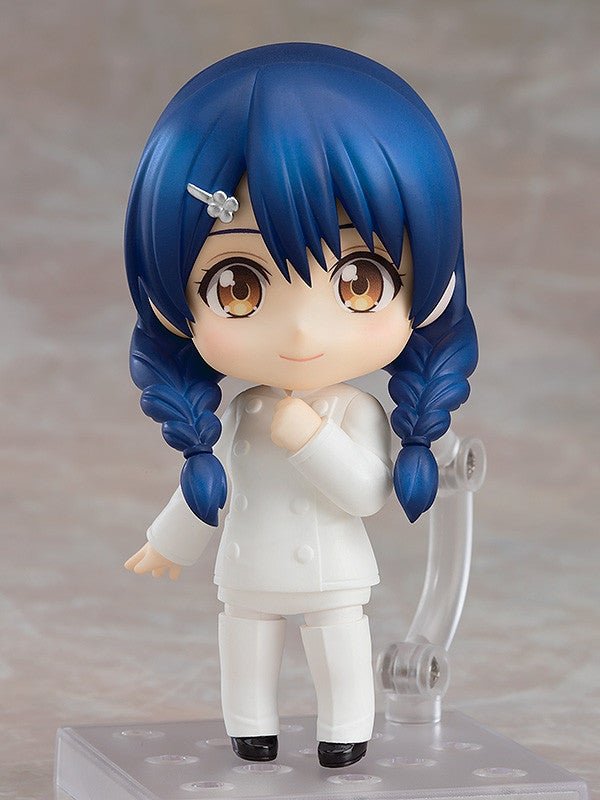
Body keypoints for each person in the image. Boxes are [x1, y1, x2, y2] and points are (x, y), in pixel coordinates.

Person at [123, 43, 478, 768]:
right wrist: (169, 543)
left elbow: (368, 492)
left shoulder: (357, 413)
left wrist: (311, 438)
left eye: (358, 282)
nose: (301, 333)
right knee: (244, 643)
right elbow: (207, 485)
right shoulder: (239, 416)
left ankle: (346, 730)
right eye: (239, 287)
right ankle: (249, 726)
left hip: (333, 570)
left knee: (339, 645)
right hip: (248, 565)